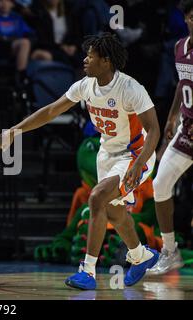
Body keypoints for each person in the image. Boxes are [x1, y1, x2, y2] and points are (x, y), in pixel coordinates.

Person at [2, 33, 160, 290]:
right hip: (106, 153)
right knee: (113, 211)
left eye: (90, 56)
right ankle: (141, 256)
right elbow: (52, 110)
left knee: (97, 198)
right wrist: (15, 130)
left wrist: (137, 163)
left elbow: (153, 129)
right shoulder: (86, 86)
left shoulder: (131, 88)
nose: (85, 59)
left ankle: (87, 271)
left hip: (134, 154)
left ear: (106, 60)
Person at [147, 0, 193, 276]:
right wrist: (173, 115)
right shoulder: (179, 48)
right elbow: (182, 82)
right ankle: (169, 250)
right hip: (187, 128)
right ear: (186, 19)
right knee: (160, 184)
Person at [0, 0, 52, 84]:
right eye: (0, 1)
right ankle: (21, 77)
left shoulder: (16, 17)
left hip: (21, 49)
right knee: (24, 43)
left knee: (45, 55)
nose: (4, 4)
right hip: (2, 49)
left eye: (7, 1)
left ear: (12, 4)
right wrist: (5, 38)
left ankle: (43, 84)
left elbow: (29, 33)